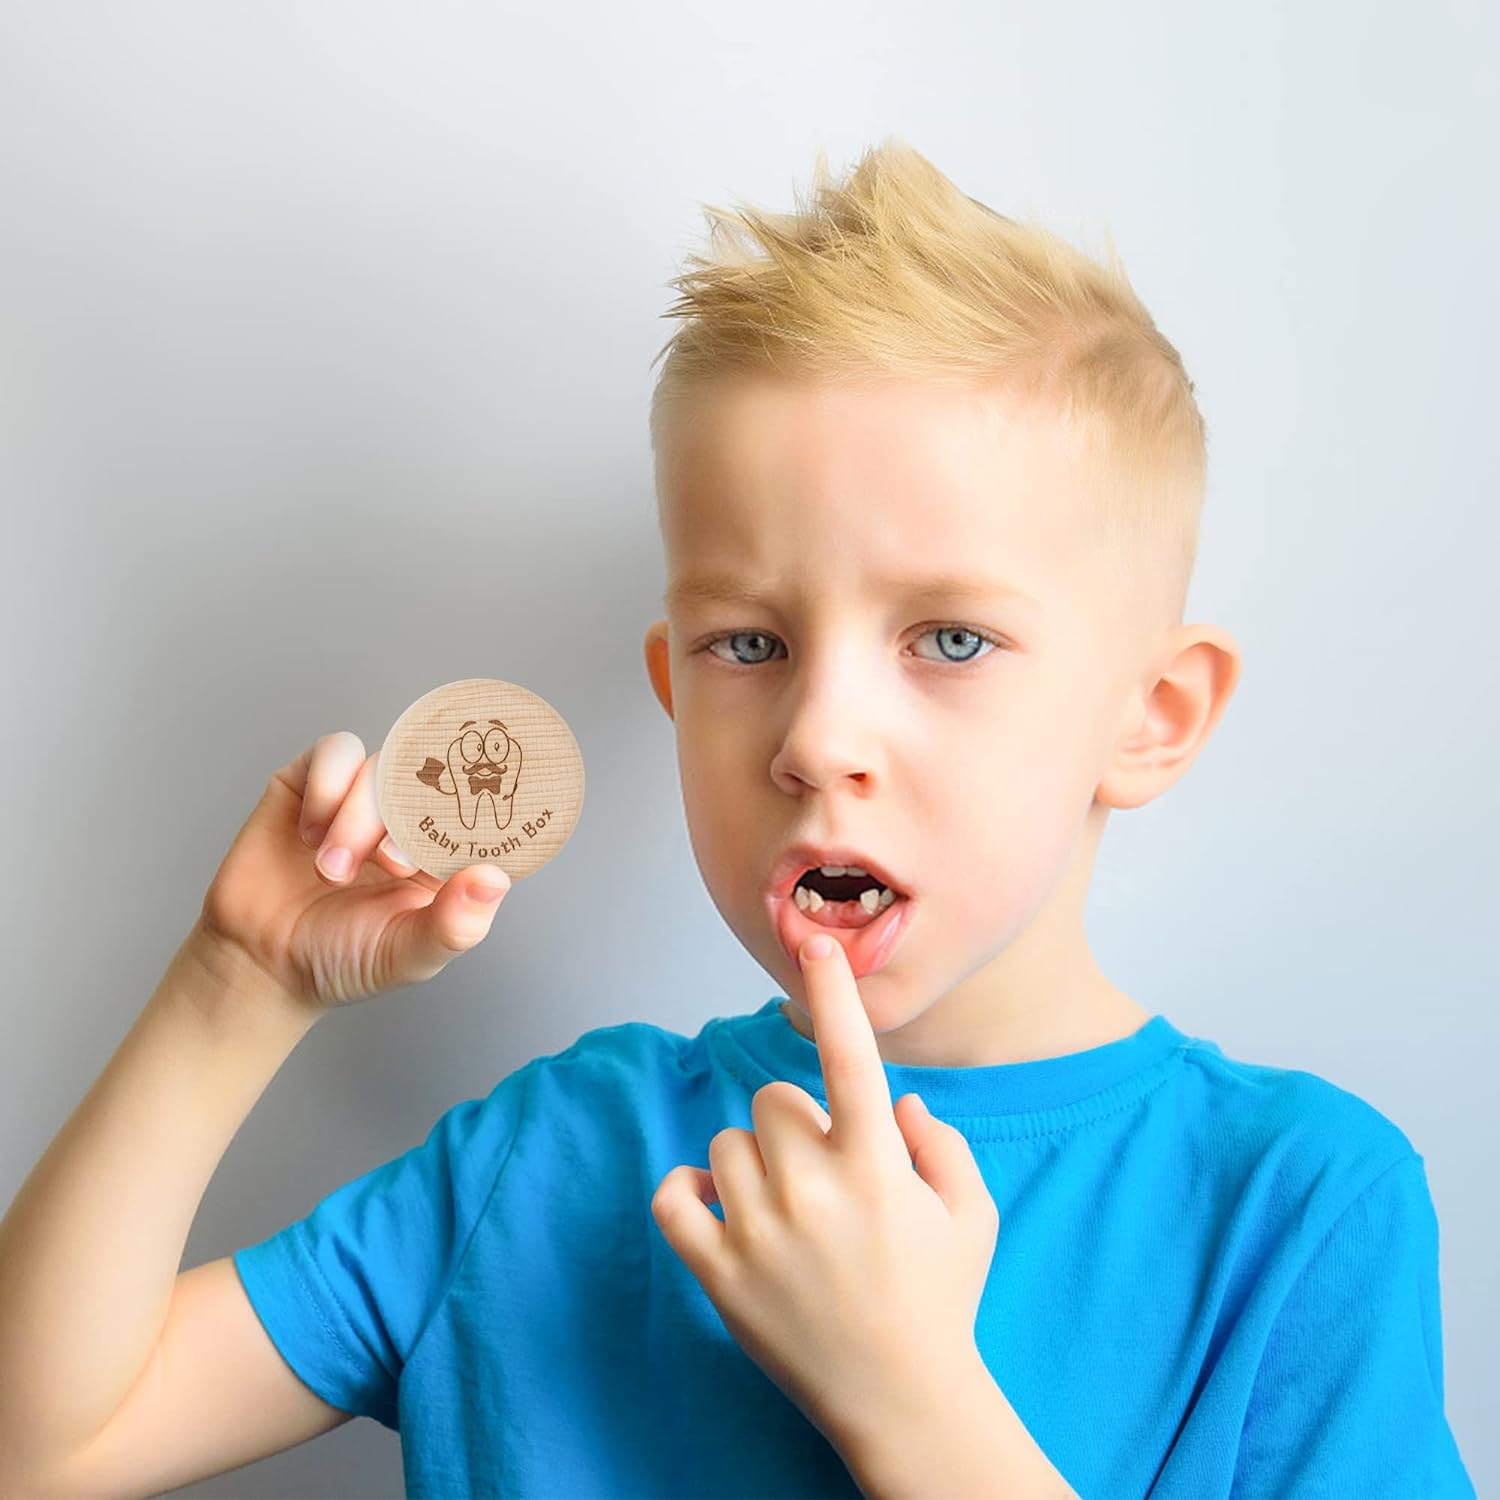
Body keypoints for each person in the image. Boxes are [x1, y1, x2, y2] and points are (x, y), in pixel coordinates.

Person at [0, 137, 1475, 1499]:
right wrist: (234, 986)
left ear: (1150, 718)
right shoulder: (553, 1153)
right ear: (675, 686)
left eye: (950, 640)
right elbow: (42, 1443)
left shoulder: (1298, 1207)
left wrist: (910, 1394)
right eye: (748, 646)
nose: (817, 738)